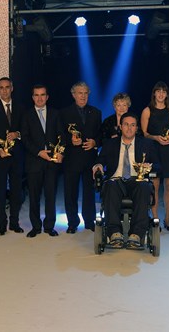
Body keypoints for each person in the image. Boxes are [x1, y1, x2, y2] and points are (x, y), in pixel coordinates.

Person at [92, 112, 159, 249]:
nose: (129, 128)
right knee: (110, 186)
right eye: (126, 125)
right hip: (116, 180)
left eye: (133, 125)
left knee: (144, 187)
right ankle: (114, 232)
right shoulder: (110, 143)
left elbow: (159, 166)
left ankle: (136, 234)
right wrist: (98, 165)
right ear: (120, 126)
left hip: (137, 180)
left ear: (137, 128)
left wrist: (150, 166)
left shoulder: (146, 144)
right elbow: (100, 160)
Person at [21, 85, 63, 237]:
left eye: (42, 95)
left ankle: (49, 226)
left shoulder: (55, 114)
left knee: (50, 196)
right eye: (36, 95)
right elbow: (25, 139)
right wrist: (39, 152)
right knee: (34, 197)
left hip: (52, 162)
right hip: (34, 162)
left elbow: (62, 136)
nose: (39, 98)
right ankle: (36, 227)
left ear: (47, 97)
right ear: (33, 97)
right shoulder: (26, 115)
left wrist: (60, 153)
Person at [140, 81, 169, 231]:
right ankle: (155, 218)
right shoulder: (147, 111)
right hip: (154, 150)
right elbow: (144, 134)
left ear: (167, 95)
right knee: (155, 187)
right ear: (154, 93)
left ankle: (168, 219)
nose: (161, 94)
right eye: (158, 91)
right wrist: (156, 138)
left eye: (163, 91)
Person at [60, 81, 102, 233]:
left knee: (89, 193)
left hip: (90, 159)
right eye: (80, 93)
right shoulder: (64, 113)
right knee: (70, 192)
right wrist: (70, 141)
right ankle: (72, 223)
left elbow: (101, 134)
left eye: (85, 93)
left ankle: (89, 221)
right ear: (73, 95)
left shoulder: (96, 112)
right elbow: (59, 135)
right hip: (71, 159)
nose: (83, 96)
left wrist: (95, 142)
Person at [0, 77, 24, 235]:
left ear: (12, 88)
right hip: (0, 157)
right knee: (0, 192)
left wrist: (18, 134)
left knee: (16, 191)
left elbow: (26, 130)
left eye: (7, 87)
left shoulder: (21, 107)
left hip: (17, 157)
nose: (4, 90)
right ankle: (1, 224)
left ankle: (14, 223)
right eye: (1, 87)